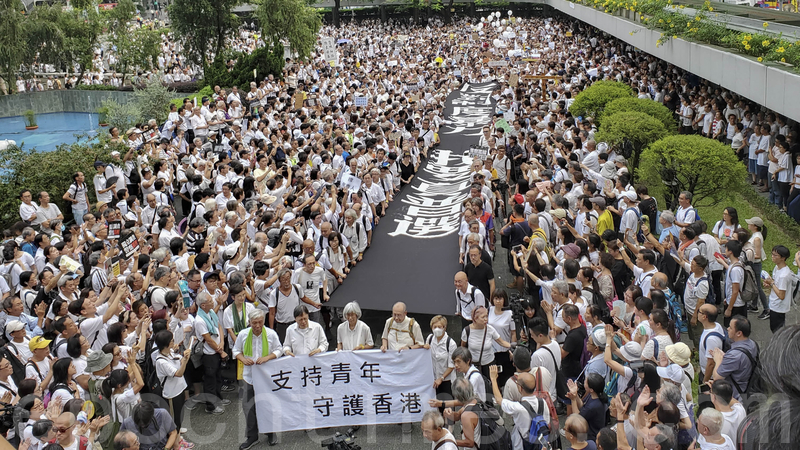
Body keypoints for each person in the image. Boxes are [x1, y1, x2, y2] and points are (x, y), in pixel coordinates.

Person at [232, 309, 281, 449]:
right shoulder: (243, 334)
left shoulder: (271, 334)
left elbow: (279, 349)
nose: (257, 326)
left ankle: (271, 433)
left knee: (267, 405)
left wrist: (267, 357)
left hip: (266, 377)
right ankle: (252, 436)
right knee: (249, 407)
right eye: (254, 323)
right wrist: (242, 359)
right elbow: (236, 351)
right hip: (249, 376)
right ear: (249, 322)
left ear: (263, 321)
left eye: (260, 322)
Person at [489, 365, 549, 450]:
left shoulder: (518, 407)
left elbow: (499, 400)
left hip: (521, 445)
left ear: (520, 388)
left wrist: (493, 379)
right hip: (539, 444)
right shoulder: (542, 402)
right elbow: (547, 422)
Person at [193, 291, 228, 415]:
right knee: (210, 381)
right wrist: (220, 350)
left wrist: (222, 343)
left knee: (218, 377)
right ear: (203, 305)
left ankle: (219, 398)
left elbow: (218, 326)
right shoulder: (199, 320)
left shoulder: (211, 312)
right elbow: (207, 339)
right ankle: (210, 406)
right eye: (210, 301)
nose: (213, 302)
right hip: (209, 354)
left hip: (218, 349)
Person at [711, 316, 758, 399]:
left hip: (736, 396)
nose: (728, 329)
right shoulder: (753, 344)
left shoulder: (734, 355)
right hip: (748, 388)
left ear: (739, 333)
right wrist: (726, 357)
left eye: (731, 327)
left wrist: (718, 360)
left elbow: (717, 377)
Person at [460, 306, 511, 376]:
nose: (486, 319)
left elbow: (501, 342)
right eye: (483, 317)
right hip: (474, 364)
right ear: (475, 318)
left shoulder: (490, 329)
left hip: (489, 364)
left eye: (487, 316)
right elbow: (463, 347)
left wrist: (513, 346)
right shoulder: (467, 330)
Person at [425, 315, 457, 411]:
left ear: (444, 328)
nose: (437, 329)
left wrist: (441, 378)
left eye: (440, 327)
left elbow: (452, 365)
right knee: (435, 406)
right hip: (434, 379)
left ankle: (449, 426)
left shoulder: (451, 343)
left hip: (447, 380)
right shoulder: (430, 339)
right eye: (435, 327)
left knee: (448, 407)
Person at [764, 245, 792, 331]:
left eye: (775, 255)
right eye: (772, 254)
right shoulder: (777, 267)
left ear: (783, 258)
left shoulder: (784, 275)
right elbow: (776, 283)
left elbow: (781, 295)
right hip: (774, 304)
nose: (772, 256)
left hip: (779, 307)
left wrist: (771, 283)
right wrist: (769, 283)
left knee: (777, 331)